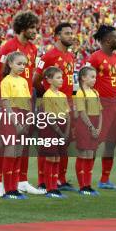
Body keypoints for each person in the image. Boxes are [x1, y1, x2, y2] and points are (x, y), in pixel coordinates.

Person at [0, 12, 42, 196]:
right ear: (22, 27)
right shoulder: (8, 47)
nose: (35, 31)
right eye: (32, 28)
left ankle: (21, 180)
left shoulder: (33, 48)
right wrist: (3, 96)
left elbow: (31, 75)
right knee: (5, 143)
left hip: (26, 100)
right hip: (10, 102)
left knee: (23, 143)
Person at [33, 23, 75, 192]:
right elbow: (36, 79)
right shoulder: (49, 56)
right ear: (58, 36)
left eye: (72, 33)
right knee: (47, 145)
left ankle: (60, 179)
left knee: (63, 144)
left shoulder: (70, 56)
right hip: (50, 105)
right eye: (67, 33)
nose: (71, 36)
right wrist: (47, 94)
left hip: (66, 105)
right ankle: (43, 181)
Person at [84, 25, 116, 190]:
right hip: (101, 106)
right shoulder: (95, 58)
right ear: (108, 40)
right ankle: (86, 179)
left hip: (115, 105)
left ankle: (104, 179)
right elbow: (85, 82)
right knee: (94, 142)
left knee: (112, 143)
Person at [0, 52, 31, 200]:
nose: (22, 67)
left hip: (23, 117)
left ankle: (15, 187)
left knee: (19, 153)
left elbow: (28, 102)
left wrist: (27, 120)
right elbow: (6, 104)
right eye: (19, 63)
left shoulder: (24, 81)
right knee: (11, 152)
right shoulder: (6, 81)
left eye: (24, 64)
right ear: (10, 64)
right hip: (11, 118)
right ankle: (8, 190)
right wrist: (16, 123)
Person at [39, 67, 70, 199]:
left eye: (61, 77)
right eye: (58, 77)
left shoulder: (62, 95)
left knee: (58, 157)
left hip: (62, 129)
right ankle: (49, 187)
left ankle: (54, 186)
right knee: (51, 157)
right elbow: (49, 117)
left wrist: (66, 131)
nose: (61, 80)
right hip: (51, 129)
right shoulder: (48, 95)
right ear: (49, 80)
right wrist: (59, 131)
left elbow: (67, 115)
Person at [74, 66, 102, 196]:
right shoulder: (81, 93)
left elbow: (100, 112)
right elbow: (82, 112)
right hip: (84, 126)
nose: (94, 79)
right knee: (83, 154)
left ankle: (88, 185)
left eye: (95, 77)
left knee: (90, 155)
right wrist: (91, 127)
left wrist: (99, 128)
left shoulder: (95, 92)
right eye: (92, 77)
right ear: (83, 78)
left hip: (94, 126)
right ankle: (82, 186)